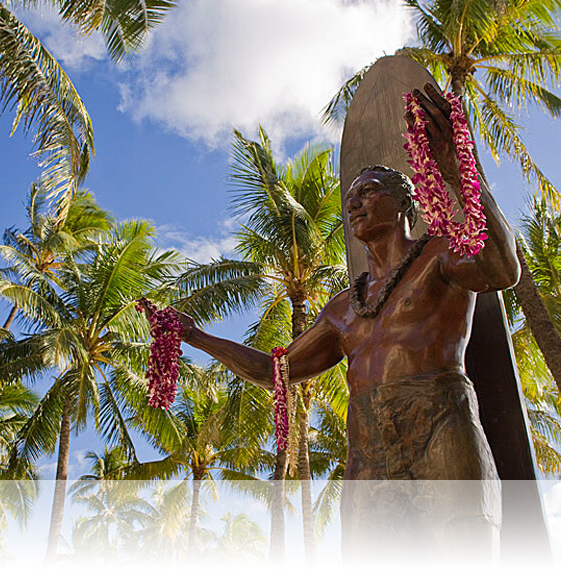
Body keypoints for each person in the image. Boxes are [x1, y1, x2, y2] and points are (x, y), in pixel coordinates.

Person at [172, 85, 521, 561]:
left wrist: (462, 172)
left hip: (440, 421)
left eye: (368, 192)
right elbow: (274, 371)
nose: (354, 204)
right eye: (350, 197)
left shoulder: (440, 255)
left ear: (404, 206)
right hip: (369, 446)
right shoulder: (342, 307)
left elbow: (502, 270)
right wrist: (195, 336)